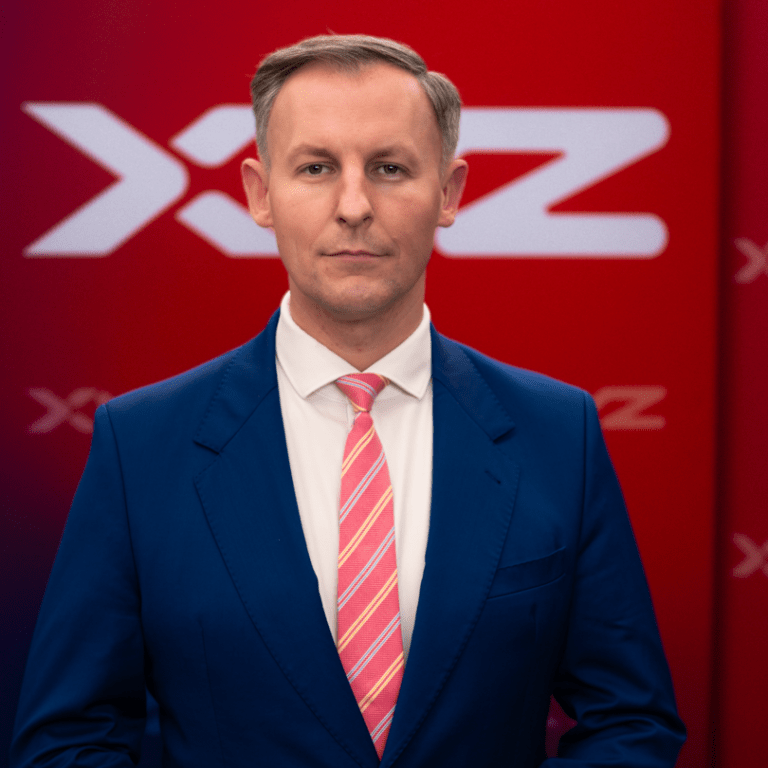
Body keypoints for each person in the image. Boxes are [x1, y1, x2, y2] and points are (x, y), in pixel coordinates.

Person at [11, 34, 685, 768]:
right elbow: (66, 740)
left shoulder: (559, 433)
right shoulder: (140, 447)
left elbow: (631, 721)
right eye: (317, 167)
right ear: (260, 193)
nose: (355, 206)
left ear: (450, 192)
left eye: (390, 168)